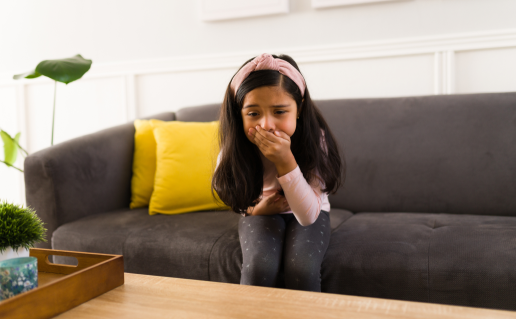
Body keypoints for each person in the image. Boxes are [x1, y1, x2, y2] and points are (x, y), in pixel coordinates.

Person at [211, 53, 345, 292]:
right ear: (238, 113)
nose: (267, 125)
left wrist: (286, 160)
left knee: (302, 267)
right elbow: (234, 197)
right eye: (253, 113)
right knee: (259, 267)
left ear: (299, 109)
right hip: (262, 211)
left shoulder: (316, 140)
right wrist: (256, 210)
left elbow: (307, 217)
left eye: (279, 112)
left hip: (308, 211)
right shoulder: (234, 149)